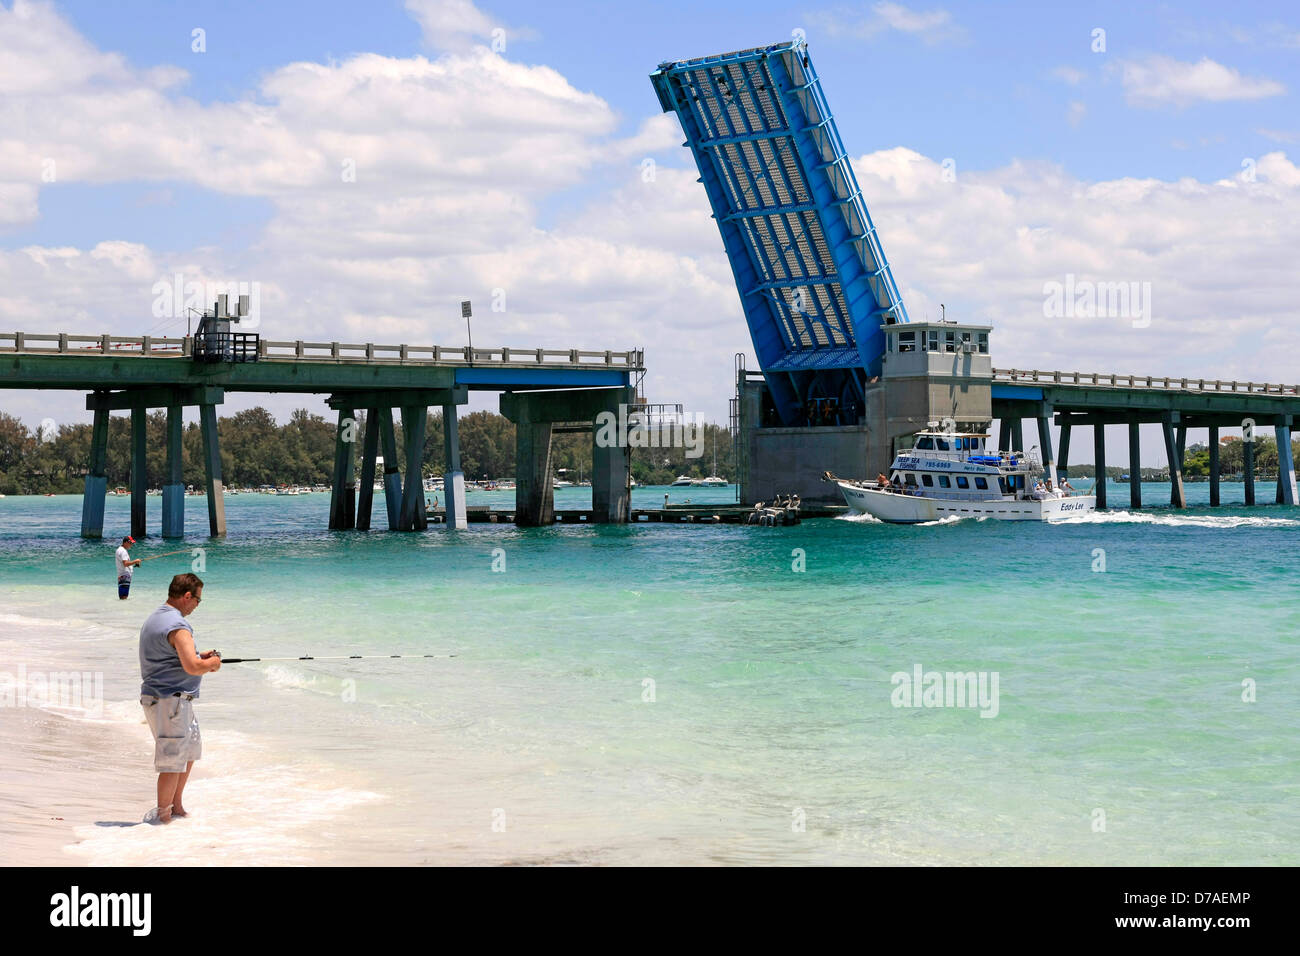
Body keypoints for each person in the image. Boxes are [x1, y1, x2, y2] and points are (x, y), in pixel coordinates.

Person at [138, 573, 221, 825]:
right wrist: (212, 663)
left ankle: (176, 807)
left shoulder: (158, 616)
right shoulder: (178, 625)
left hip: (172, 701)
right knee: (172, 761)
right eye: (197, 600)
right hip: (169, 701)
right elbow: (193, 667)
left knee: (190, 750)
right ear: (187, 596)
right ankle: (162, 818)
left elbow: (176, 655)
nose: (197, 605)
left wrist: (199, 654)